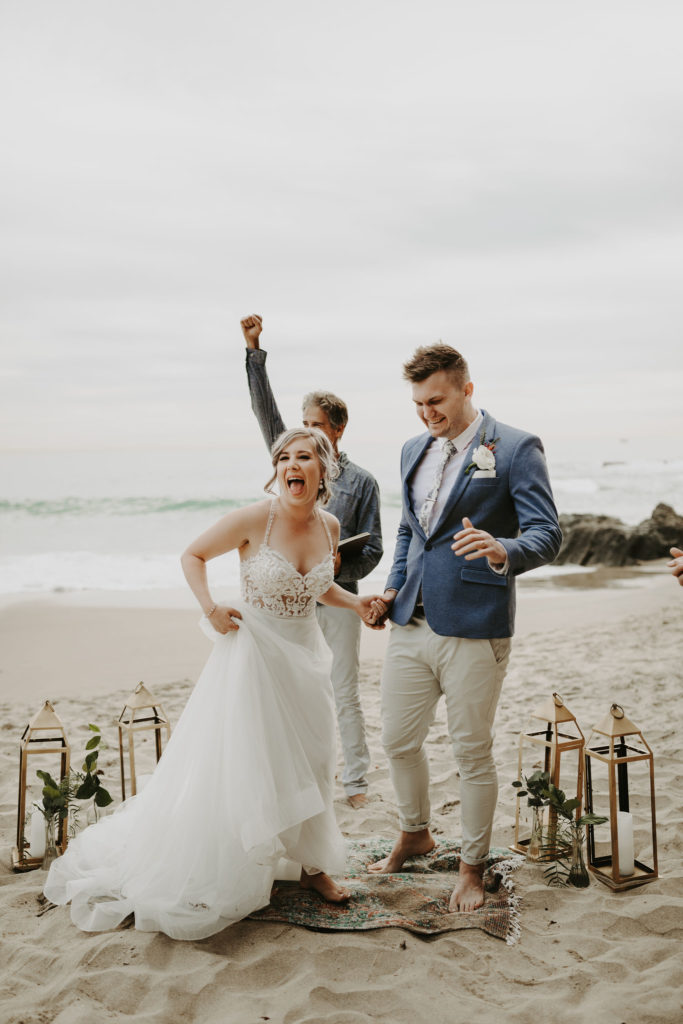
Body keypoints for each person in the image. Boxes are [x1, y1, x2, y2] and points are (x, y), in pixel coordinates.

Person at [44, 427, 382, 940]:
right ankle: (242, 863)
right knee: (250, 762)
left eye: (304, 457)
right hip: (252, 656)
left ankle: (313, 867)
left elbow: (319, 585)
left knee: (313, 761)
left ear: (323, 470)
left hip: (306, 658)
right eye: (284, 457)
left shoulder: (330, 525)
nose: (292, 465)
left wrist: (356, 602)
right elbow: (192, 555)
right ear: (278, 471)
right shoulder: (254, 519)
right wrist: (210, 607)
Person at [367, 343, 562, 913]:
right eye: (418, 403)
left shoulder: (516, 446)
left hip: (477, 625)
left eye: (437, 400)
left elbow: (547, 533)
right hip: (410, 621)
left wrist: (502, 548)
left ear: (466, 389)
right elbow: (408, 530)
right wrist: (390, 587)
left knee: (471, 752)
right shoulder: (411, 450)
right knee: (398, 741)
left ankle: (471, 869)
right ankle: (415, 832)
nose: (427, 413)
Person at [239, 313, 383, 809]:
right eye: (301, 427)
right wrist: (255, 352)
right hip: (283, 603)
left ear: (338, 429)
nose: (303, 436)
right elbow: (264, 414)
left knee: (343, 690)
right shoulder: (293, 459)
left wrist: (336, 571)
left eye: (316, 426)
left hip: (334, 597)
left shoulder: (362, 483)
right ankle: (290, 782)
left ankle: (357, 783)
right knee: (285, 693)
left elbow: (375, 548)